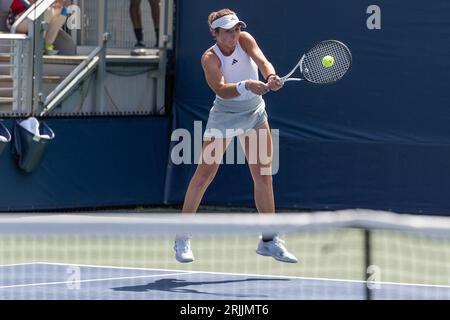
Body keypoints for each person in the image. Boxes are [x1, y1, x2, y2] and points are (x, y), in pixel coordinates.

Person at [174, 9, 298, 264]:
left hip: (254, 112)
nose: (234, 35)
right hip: (225, 115)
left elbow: (263, 62)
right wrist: (246, 85)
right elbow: (221, 89)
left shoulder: (245, 40)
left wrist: (270, 76)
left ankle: (269, 240)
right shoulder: (209, 58)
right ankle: (182, 237)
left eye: (236, 29)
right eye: (228, 31)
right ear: (215, 33)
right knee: (204, 174)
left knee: (263, 176)